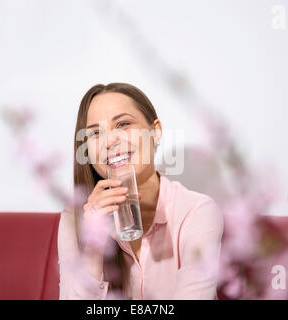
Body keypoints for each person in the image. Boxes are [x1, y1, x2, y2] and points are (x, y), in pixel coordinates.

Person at [58, 82, 223, 299]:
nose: (110, 141)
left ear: (155, 132)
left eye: (123, 124)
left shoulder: (197, 211)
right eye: (96, 133)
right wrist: (92, 246)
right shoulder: (75, 218)